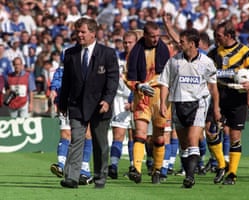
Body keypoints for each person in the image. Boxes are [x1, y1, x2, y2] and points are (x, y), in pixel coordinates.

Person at [58, 17, 119, 189]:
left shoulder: (107, 53)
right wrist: (62, 103)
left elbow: (113, 80)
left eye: (83, 32)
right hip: (77, 104)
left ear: (93, 33)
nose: (79, 35)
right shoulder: (70, 53)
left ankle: (100, 177)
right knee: (76, 139)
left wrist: (107, 100)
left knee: (100, 143)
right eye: (78, 31)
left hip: (100, 106)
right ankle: (72, 177)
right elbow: (67, 82)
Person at [159, 28, 221, 188]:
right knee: (184, 144)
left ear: (192, 44)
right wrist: (162, 103)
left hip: (198, 104)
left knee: (193, 140)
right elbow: (164, 83)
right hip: (178, 103)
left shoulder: (206, 62)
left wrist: (216, 108)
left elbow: (213, 88)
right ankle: (189, 172)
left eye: (182, 42)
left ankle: (190, 177)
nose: (179, 44)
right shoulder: (174, 61)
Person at [208, 20, 249, 185]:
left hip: (237, 99)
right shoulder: (214, 52)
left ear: (229, 35)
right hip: (218, 96)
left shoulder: (245, 52)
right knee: (210, 132)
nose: (216, 38)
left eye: (219, 36)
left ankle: (231, 173)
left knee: (234, 136)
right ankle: (221, 165)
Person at [125, 21, 170, 184]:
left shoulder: (166, 50)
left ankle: (157, 170)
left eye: (158, 36)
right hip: (142, 98)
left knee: (159, 138)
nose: (156, 39)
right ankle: (136, 170)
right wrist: (138, 85)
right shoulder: (134, 53)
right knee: (140, 134)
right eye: (153, 36)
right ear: (145, 36)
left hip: (160, 98)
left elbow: (171, 74)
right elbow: (127, 76)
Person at [49, 57, 93, 186]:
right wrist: (54, 92)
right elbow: (55, 85)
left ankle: (84, 170)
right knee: (66, 134)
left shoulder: (85, 68)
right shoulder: (61, 70)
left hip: (83, 104)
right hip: (67, 104)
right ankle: (61, 165)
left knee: (86, 135)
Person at [108, 30, 138, 179]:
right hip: (119, 99)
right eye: (124, 42)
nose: (126, 45)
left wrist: (133, 100)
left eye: (130, 42)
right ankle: (113, 166)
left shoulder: (140, 58)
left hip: (137, 98)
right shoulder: (116, 58)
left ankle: (134, 166)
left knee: (134, 135)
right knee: (118, 134)